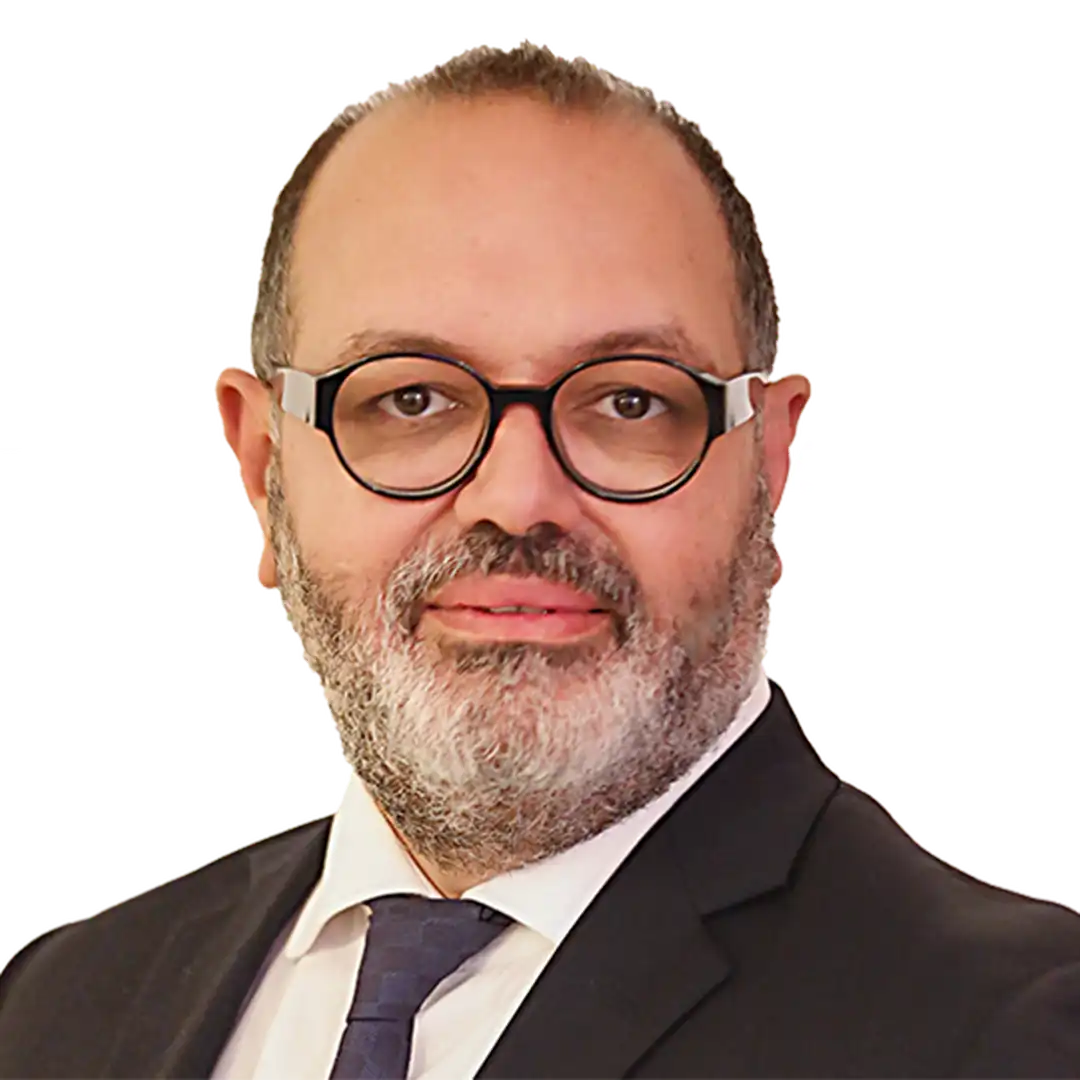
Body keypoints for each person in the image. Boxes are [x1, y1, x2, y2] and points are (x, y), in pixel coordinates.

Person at [0, 38, 1076, 1080]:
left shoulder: (1024, 1038)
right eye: (409, 399)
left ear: (770, 460)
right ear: (260, 464)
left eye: (631, 401)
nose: (518, 499)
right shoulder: (57, 1006)